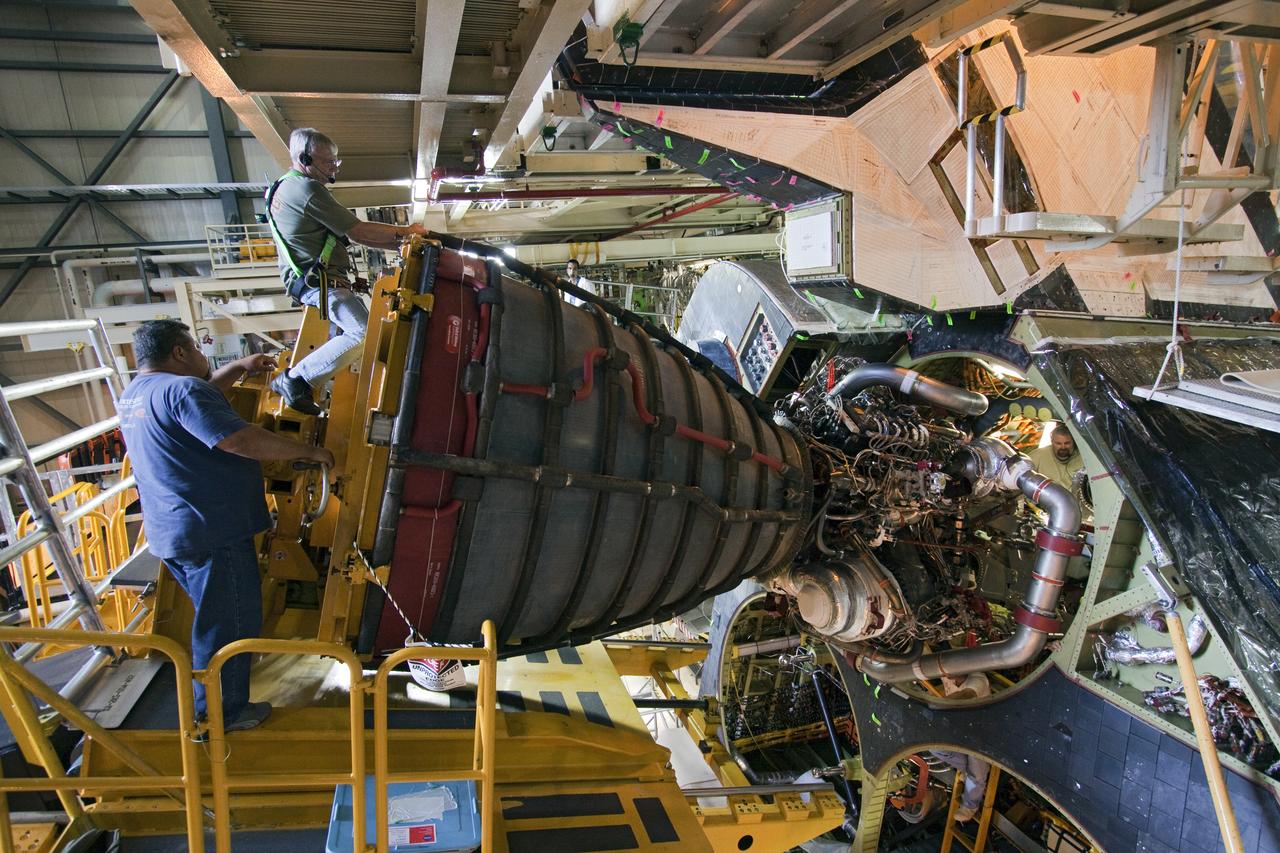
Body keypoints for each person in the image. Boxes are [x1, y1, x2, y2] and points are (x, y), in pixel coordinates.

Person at [118, 320, 335, 735]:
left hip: (173, 531)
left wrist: (237, 368)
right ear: (179, 353)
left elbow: (193, 406)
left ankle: (213, 706)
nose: (202, 356)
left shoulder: (137, 394)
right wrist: (309, 452)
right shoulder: (184, 390)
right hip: (212, 529)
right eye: (196, 348)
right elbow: (237, 440)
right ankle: (223, 715)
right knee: (228, 624)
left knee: (215, 616)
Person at [266, 127, 430, 415]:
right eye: (328, 162)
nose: (334, 168)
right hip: (317, 283)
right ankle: (295, 380)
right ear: (305, 159)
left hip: (310, 279)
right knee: (362, 332)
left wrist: (402, 243)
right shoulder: (307, 190)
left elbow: (354, 235)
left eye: (336, 161)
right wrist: (406, 232)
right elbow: (358, 231)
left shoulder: (282, 186)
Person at [932, 673, 993, 823]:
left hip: (982, 733)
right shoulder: (948, 675)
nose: (948, 675)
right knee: (935, 748)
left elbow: (966, 695)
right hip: (961, 729)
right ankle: (972, 771)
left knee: (976, 770)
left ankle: (970, 806)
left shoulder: (978, 679)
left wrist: (935, 705)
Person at [1026, 423, 1083, 490]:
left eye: (1067, 443)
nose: (1063, 447)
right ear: (1052, 441)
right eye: (1058, 443)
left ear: (1073, 442)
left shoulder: (1083, 457)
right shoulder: (1037, 455)